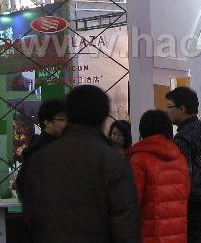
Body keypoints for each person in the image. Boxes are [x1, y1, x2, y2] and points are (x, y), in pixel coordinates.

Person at [20, 85, 140, 243]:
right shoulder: (114, 161)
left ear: (69, 115)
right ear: (104, 119)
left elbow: (30, 214)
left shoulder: (39, 158)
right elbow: (125, 225)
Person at [166, 86, 201, 242]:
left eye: (169, 106)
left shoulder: (183, 138)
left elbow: (183, 175)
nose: (167, 111)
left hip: (196, 209)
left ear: (182, 108)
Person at [127, 110, 190, 243]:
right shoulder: (179, 157)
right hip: (177, 235)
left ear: (143, 129)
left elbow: (131, 203)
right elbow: (186, 192)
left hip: (149, 235)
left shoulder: (139, 159)